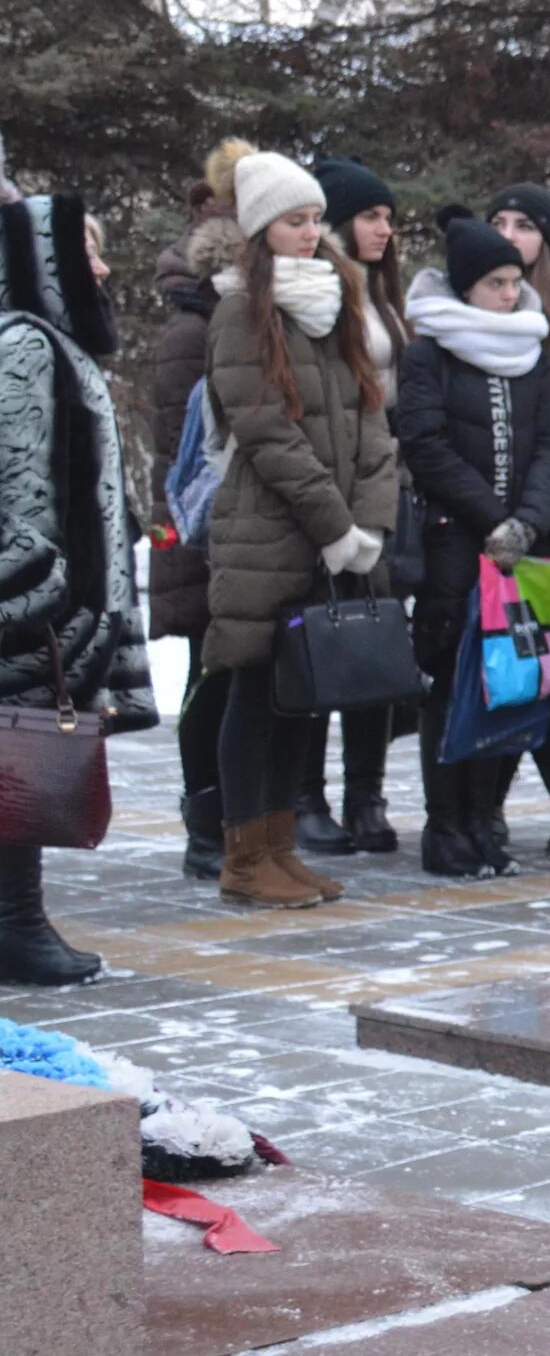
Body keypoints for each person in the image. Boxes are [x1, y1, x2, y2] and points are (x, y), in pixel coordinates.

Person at [199, 153, 399, 908]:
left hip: (337, 532)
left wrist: (369, 521)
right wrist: (333, 525)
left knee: (299, 698)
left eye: (316, 219)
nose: (312, 232)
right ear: (261, 230)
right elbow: (265, 434)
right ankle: (244, 857)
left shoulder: (342, 296)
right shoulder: (238, 311)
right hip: (269, 533)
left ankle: (280, 849)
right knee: (255, 692)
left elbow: (371, 416)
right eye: (295, 221)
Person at [397, 217, 550, 872]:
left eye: (515, 282)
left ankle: (485, 818)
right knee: (451, 681)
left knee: (510, 681)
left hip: (523, 549)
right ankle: (445, 825)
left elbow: (547, 446)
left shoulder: (530, 352)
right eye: (495, 284)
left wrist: (530, 522)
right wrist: (491, 518)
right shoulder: (430, 353)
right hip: (456, 544)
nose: (511, 295)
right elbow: (425, 444)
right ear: (465, 288)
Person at [0, 161, 154, 984]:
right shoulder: (26, 344)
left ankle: (19, 923)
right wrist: (44, 595)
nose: (99, 266)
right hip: (34, 610)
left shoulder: (46, 342)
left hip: (54, 608)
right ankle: (16, 927)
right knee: (19, 762)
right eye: (81, 251)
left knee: (20, 764)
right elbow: (20, 488)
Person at [293, 154, 409, 858]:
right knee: (317, 644)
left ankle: (366, 793)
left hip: (385, 486)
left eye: (389, 218)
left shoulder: (380, 296)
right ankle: (307, 796)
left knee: (376, 644)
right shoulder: (317, 296)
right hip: (331, 490)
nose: (384, 229)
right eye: (370, 215)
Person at [479, 180, 550, 857]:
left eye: (523, 224)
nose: (508, 232)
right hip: (489, 523)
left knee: (529, 661)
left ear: (546, 243)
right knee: (515, 663)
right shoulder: (481, 312)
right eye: (498, 219)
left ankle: (521, 808)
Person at [148, 138, 251, 882]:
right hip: (201, 532)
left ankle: (236, 819)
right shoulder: (195, 325)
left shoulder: (231, 315)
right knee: (206, 679)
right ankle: (203, 822)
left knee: (232, 678)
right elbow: (177, 452)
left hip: (239, 531)